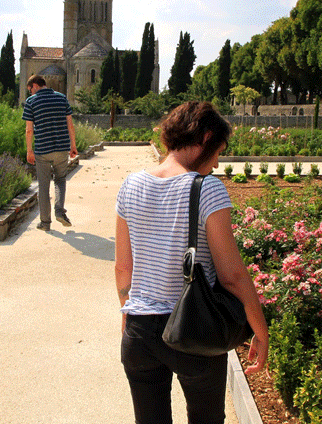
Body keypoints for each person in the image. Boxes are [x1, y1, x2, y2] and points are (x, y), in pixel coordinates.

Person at [114, 101, 268, 424]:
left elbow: (123, 269)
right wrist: (259, 326)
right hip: (194, 330)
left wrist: (128, 313)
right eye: (218, 152)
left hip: (139, 331)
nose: (216, 163)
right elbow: (232, 275)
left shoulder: (130, 185)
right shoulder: (207, 189)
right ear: (206, 137)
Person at [22, 74, 79, 231]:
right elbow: (70, 125)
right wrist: (73, 145)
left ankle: (45, 223)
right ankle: (59, 211)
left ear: (35, 85)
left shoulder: (31, 102)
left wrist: (29, 151)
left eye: (30, 90)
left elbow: (29, 130)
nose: (30, 93)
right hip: (61, 148)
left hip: (43, 149)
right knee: (60, 180)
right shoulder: (61, 98)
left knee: (44, 185)